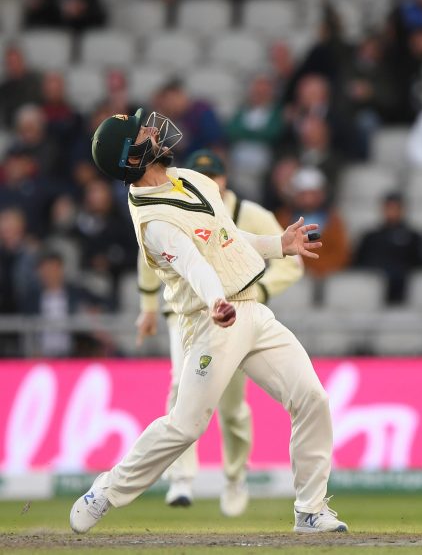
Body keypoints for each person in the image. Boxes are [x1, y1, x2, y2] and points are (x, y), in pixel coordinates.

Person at [70, 108, 347, 534]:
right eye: (142, 133)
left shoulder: (192, 179)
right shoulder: (153, 221)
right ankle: (105, 491)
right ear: (131, 159)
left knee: (312, 399)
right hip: (210, 321)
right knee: (186, 425)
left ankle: (309, 510)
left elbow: (225, 238)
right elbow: (193, 264)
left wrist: (279, 244)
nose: (153, 131)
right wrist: (216, 300)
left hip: (252, 308)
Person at [135, 149, 305, 516]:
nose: (213, 180)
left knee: (232, 409)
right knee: (181, 387)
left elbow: (291, 263)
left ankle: (234, 477)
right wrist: (148, 307)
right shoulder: (169, 206)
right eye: (200, 173)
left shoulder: (250, 213)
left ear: (225, 178)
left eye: (217, 175)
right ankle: (181, 479)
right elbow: (150, 257)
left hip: (241, 312)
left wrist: (258, 291)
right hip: (190, 314)